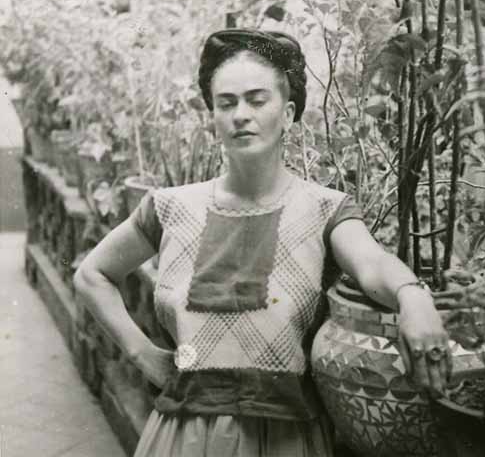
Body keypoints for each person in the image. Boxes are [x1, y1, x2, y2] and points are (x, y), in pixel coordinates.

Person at [74, 28, 450, 457]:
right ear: (213, 116)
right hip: (182, 438)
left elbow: (373, 264)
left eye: (256, 100)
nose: (240, 115)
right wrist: (142, 352)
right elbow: (92, 274)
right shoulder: (170, 207)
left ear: (287, 114)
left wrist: (413, 297)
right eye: (226, 103)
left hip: (285, 440)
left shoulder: (324, 209)